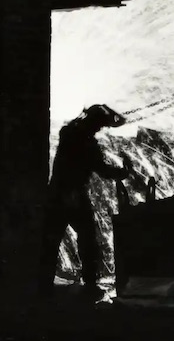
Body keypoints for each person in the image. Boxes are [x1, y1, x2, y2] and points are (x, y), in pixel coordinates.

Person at [38, 104, 132, 299]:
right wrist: (124, 172)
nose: (100, 130)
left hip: (57, 194)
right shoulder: (87, 144)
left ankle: (43, 285)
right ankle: (90, 284)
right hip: (73, 196)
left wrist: (102, 110)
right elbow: (103, 170)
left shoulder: (68, 132)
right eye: (99, 126)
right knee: (88, 240)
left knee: (51, 241)